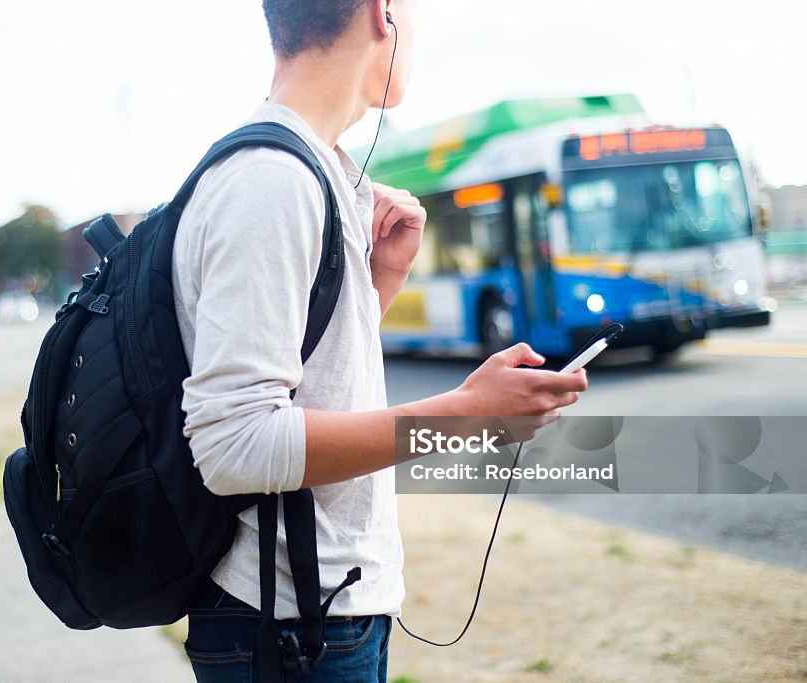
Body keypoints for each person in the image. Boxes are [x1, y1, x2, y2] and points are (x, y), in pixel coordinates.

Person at [172, 1, 589, 680]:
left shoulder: (314, 168)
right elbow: (233, 444)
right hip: (287, 622)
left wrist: (376, 282)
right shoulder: (273, 183)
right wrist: (466, 414)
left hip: (317, 611)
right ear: (381, 12)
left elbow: (309, 377)